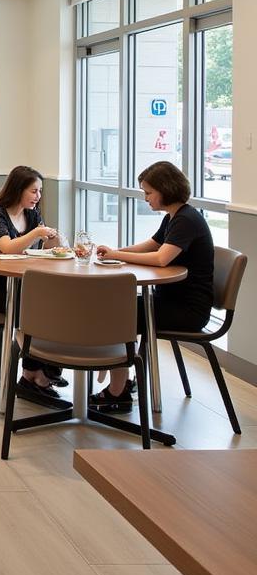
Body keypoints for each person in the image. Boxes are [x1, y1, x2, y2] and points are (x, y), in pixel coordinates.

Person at [90, 160, 214, 412]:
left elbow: (160, 258)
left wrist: (117, 255)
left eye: (148, 192)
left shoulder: (186, 220)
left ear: (165, 189)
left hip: (188, 310)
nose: (145, 198)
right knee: (115, 308)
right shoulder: (175, 217)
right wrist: (114, 251)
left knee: (118, 314)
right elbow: (152, 244)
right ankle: (122, 379)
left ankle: (119, 390)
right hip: (170, 302)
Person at [0, 165, 66, 408]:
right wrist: (38, 233)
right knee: (36, 310)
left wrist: (54, 241)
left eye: (40, 191)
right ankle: (38, 374)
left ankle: (34, 376)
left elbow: (38, 250)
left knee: (49, 305)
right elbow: (8, 247)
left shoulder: (32, 214)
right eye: (33, 191)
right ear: (18, 189)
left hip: (17, 285)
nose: (38, 196)